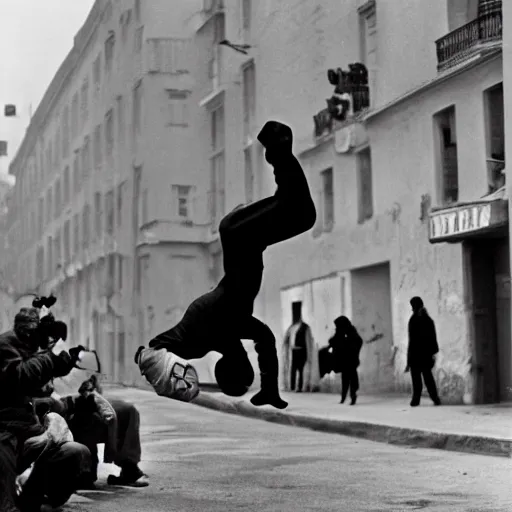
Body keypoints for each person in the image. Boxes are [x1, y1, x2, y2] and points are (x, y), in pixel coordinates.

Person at [136, 120, 317, 410]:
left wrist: (183, 384)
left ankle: (277, 147)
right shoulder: (217, 342)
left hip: (238, 255)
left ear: (236, 363)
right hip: (240, 253)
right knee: (277, 216)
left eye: (245, 364)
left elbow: (151, 351)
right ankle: (277, 150)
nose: (246, 356)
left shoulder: (211, 336)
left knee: (293, 214)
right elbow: (153, 350)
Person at [0, 307, 91, 512]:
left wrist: (67, 360)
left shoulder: (31, 347)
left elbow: (42, 383)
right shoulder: (6, 345)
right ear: (29, 331)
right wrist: (50, 357)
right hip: (5, 432)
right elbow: (20, 377)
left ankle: (35, 499)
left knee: (74, 453)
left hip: (29, 431)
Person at [405, 296, 441, 407]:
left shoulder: (413, 320)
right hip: (426, 355)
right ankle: (435, 398)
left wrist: (408, 360)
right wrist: (433, 352)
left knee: (417, 380)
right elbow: (433, 338)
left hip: (415, 355)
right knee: (428, 378)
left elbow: (411, 341)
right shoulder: (428, 320)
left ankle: (416, 400)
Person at [281, 301, 318, 392]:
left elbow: (308, 341)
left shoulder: (305, 327)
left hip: (302, 351)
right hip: (293, 351)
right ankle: (292, 386)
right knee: (293, 370)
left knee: (301, 370)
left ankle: (301, 387)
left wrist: (308, 353)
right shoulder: (291, 328)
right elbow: (286, 340)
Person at [328, 316, 363, 405]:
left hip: (351, 359)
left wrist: (349, 347)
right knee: (345, 379)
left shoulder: (351, 331)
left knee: (352, 379)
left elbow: (358, 342)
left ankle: (352, 396)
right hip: (343, 360)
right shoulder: (339, 331)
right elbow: (334, 340)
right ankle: (343, 397)